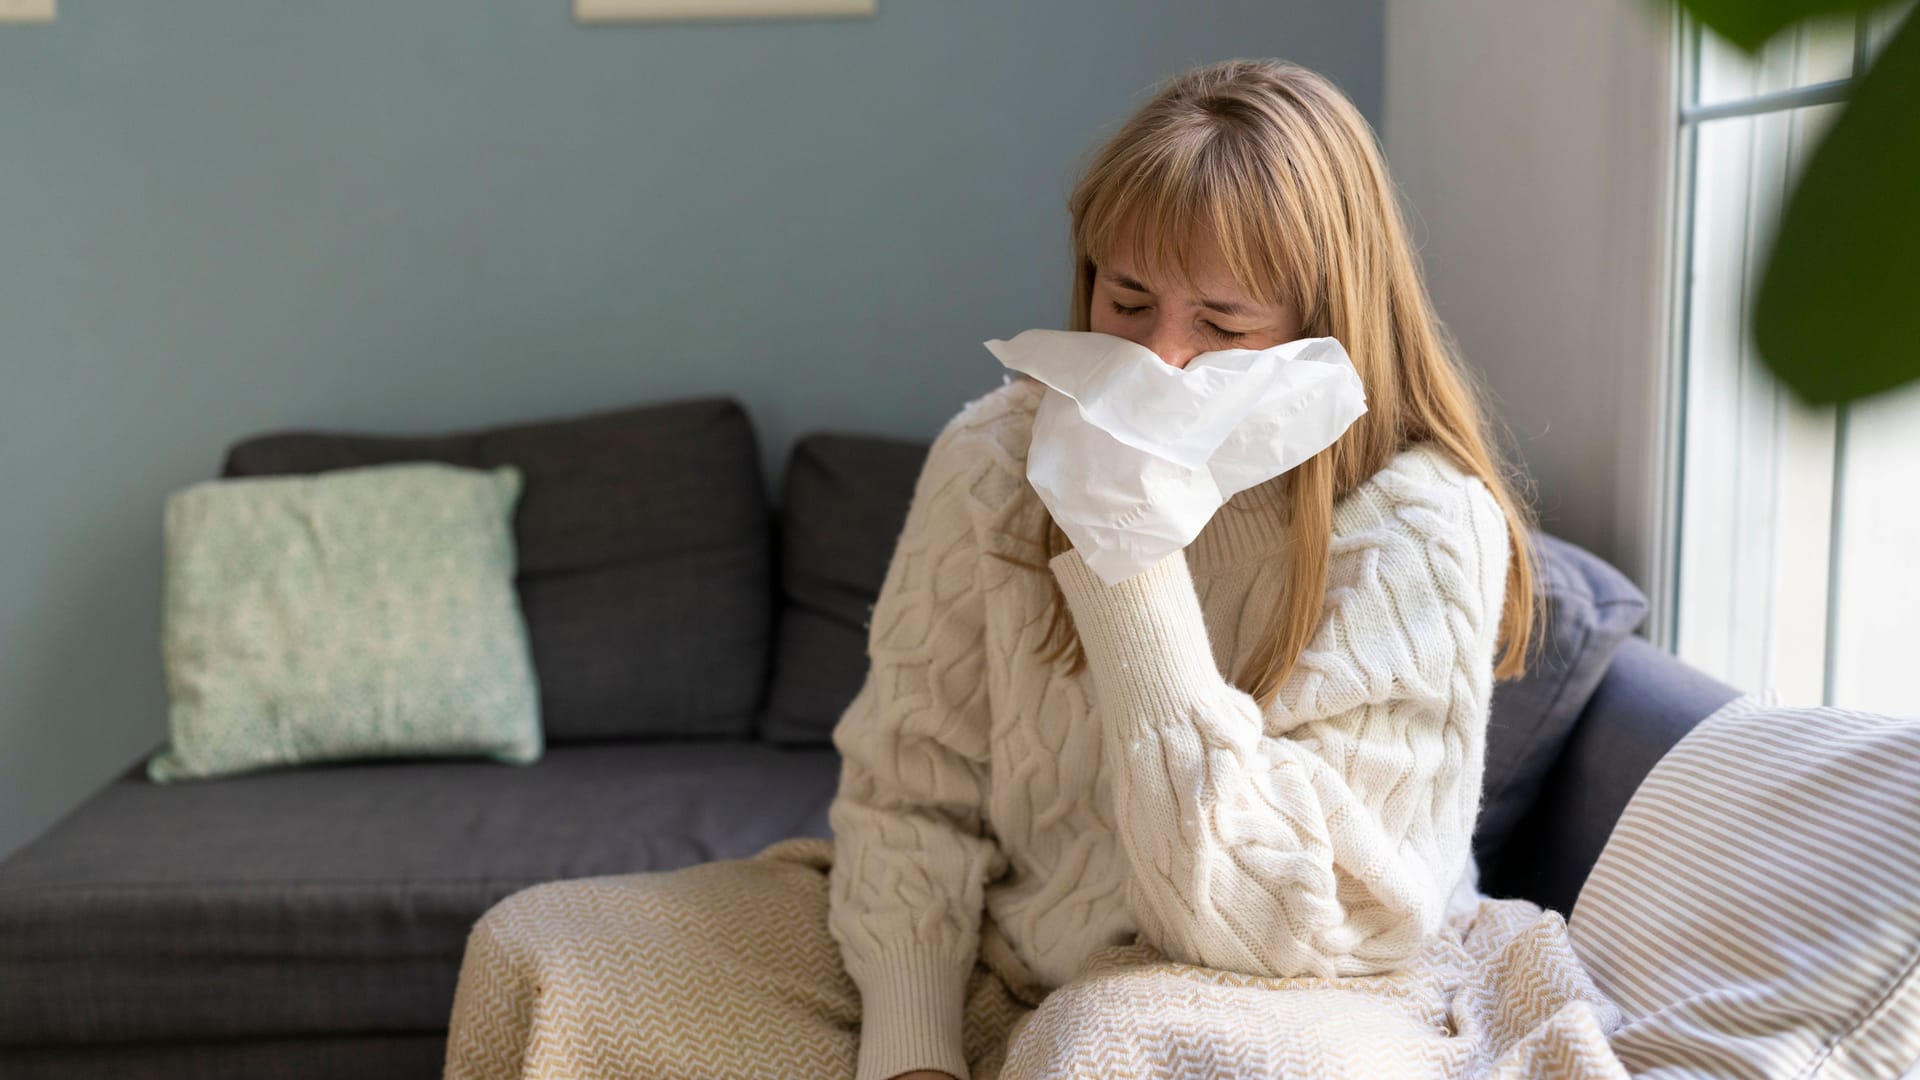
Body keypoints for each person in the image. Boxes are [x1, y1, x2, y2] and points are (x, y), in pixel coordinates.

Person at [444, 58, 1624, 1080]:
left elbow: (1276, 924)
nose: (1160, 358)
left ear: (1328, 321)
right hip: (1012, 952)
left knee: (1100, 1048)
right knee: (539, 952)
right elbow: (912, 790)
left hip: (1304, 981)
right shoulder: (996, 456)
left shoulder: (1416, 523)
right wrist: (911, 1040)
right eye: (1128, 299)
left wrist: (1130, 560)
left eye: (1220, 322)